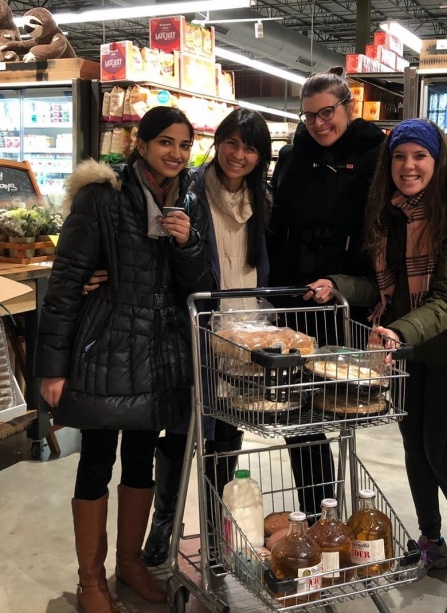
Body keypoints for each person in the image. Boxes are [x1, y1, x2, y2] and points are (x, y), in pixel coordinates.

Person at [141, 107, 343, 567]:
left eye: (250, 147)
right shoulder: (189, 191)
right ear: (217, 145)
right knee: (181, 432)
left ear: (261, 157)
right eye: (231, 143)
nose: (239, 155)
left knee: (226, 438)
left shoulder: (262, 200)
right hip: (193, 332)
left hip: (244, 339)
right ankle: (164, 526)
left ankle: (216, 535)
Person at [35, 106, 211, 613]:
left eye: (184, 144)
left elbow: (196, 287)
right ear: (142, 143)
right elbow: (67, 284)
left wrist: (188, 242)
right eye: (165, 143)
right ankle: (91, 581)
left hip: (159, 356)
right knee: (95, 459)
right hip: (106, 350)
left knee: (140, 460)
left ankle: (130, 565)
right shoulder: (102, 199)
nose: (176, 154)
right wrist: (53, 367)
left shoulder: (189, 201)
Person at [307, 118, 447, 573]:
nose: (409, 165)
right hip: (403, 351)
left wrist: (400, 331)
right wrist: (337, 284)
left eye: (419, 156)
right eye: (400, 156)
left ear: (437, 161)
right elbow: (385, 286)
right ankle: (430, 536)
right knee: (413, 448)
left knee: (440, 450)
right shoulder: (389, 212)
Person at [268, 68, 387, 522]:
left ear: (348, 107)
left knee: (337, 405)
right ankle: (316, 515)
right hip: (293, 299)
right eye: (310, 115)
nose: (319, 123)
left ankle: (332, 510)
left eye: (328, 113)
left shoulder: (376, 153)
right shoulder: (293, 154)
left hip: (343, 304)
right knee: (298, 414)